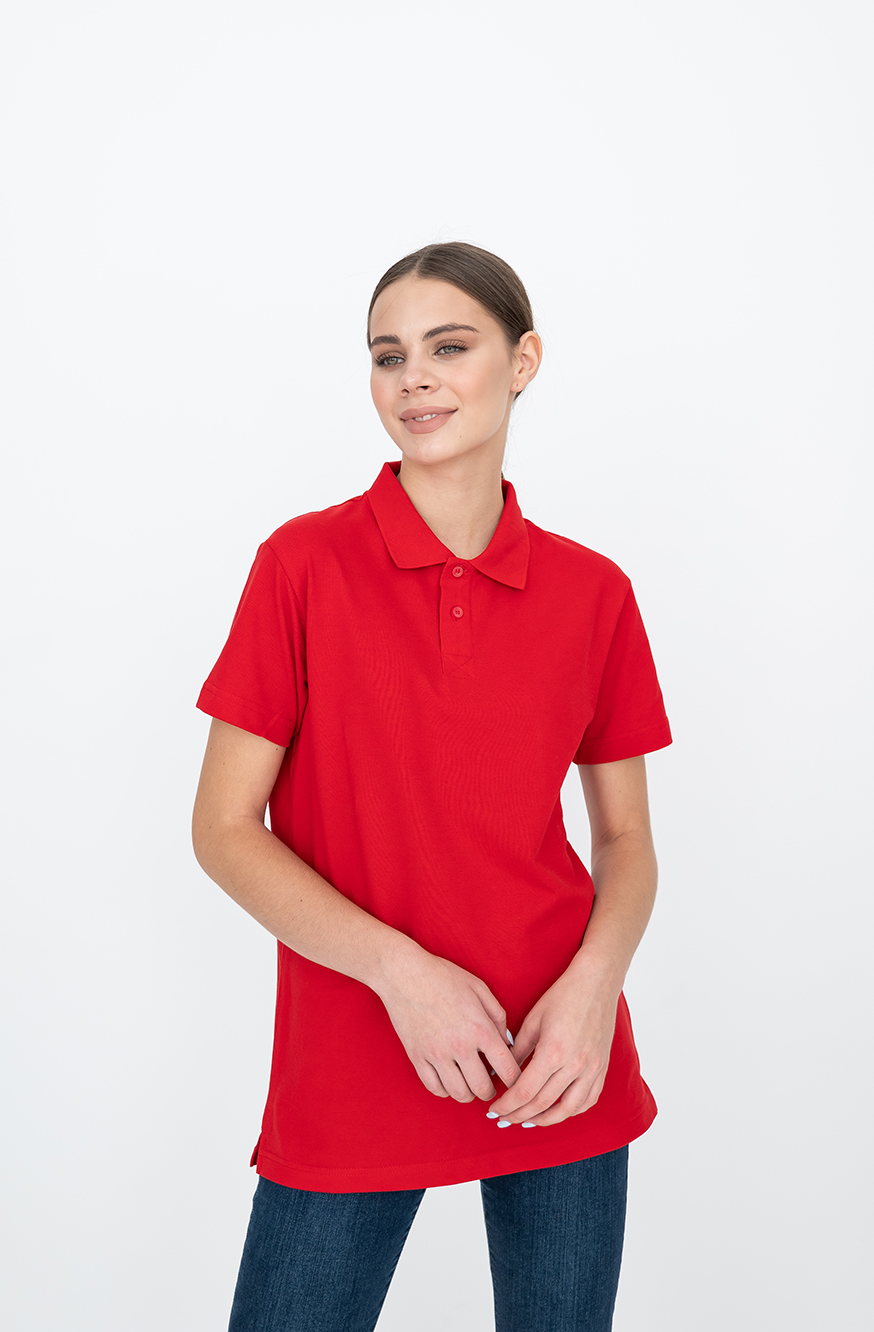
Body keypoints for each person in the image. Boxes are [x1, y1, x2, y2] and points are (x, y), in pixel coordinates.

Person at [191, 241, 672, 1332]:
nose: (414, 378)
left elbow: (626, 841)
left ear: (523, 361)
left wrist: (593, 994)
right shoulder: (300, 567)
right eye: (388, 355)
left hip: (558, 1058)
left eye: (449, 347)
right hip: (356, 1049)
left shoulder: (594, 592)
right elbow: (223, 829)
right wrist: (402, 975)